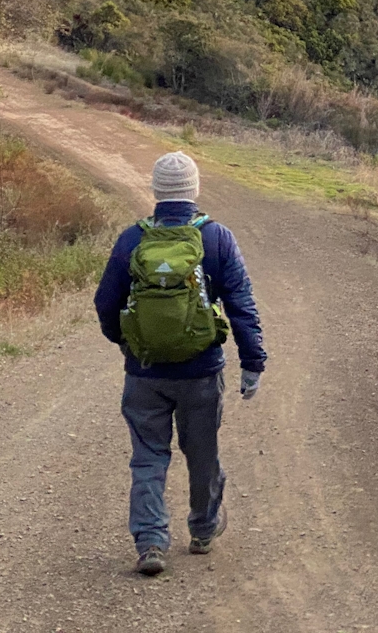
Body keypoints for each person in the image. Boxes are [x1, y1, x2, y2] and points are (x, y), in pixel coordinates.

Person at [94, 151, 267, 576]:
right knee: (202, 452)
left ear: (156, 191)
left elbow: (105, 303)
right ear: (194, 189)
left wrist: (128, 344)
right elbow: (241, 304)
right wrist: (252, 361)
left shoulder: (132, 240)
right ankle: (204, 528)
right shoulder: (217, 238)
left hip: (145, 373)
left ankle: (151, 540)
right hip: (201, 371)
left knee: (148, 456)